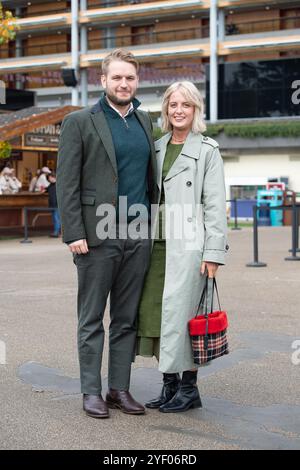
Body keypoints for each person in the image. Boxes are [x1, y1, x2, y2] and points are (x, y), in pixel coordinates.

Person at [56, 49, 158, 419]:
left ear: (137, 81)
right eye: (117, 77)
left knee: (126, 318)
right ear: (103, 81)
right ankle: (91, 391)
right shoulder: (80, 121)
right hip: (96, 235)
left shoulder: (146, 121)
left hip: (137, 233)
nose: (124, 83)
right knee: (92, 317)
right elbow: (66, 182)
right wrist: (73, 232)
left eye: (130, 77)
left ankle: (119, 388)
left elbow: (150, 180)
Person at [137, 81, 228, 413]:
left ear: (195, 110)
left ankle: (189, 389)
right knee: (159, 316)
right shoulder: (157, 147)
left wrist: (214, 253)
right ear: (166, 109)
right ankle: (169, 385)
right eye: (173, 105)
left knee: (186, 316)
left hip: (188, 247)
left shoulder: (207, 150)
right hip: (155, 247)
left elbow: (216, 205)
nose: (178, 110)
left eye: (185, 105)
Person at [46, 172, 61, 238]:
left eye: (50, 178)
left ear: (53, 177)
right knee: (55, 219)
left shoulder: (58, 184)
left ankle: (56, 232)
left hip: (57, 204)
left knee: (56, 218)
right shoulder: (50, 185)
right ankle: (57, 232)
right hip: (52, 204)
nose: (49, 179)